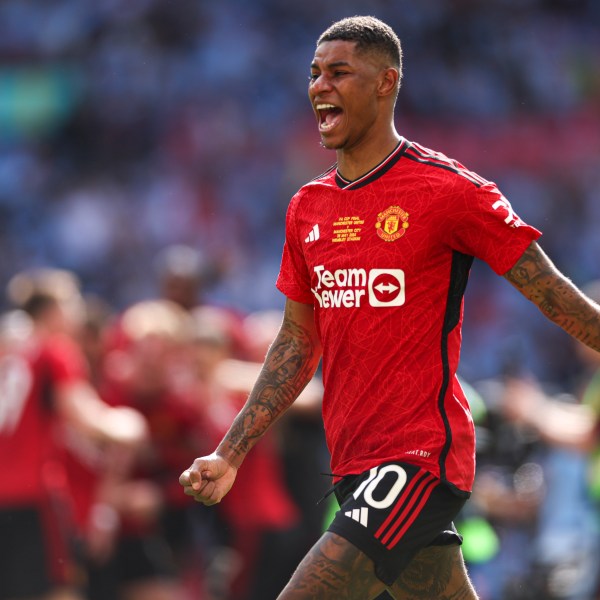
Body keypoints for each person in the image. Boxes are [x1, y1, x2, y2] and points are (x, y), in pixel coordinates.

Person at [179, 15, 600, 600]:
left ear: (385, 82)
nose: (318, 86)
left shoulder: (450, 192)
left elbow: (553, 294)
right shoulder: (308, 208)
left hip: (420, 459)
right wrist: (230, 454)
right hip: (353, 462)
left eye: (338, 72)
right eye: (314, 73)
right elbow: (299, 342)